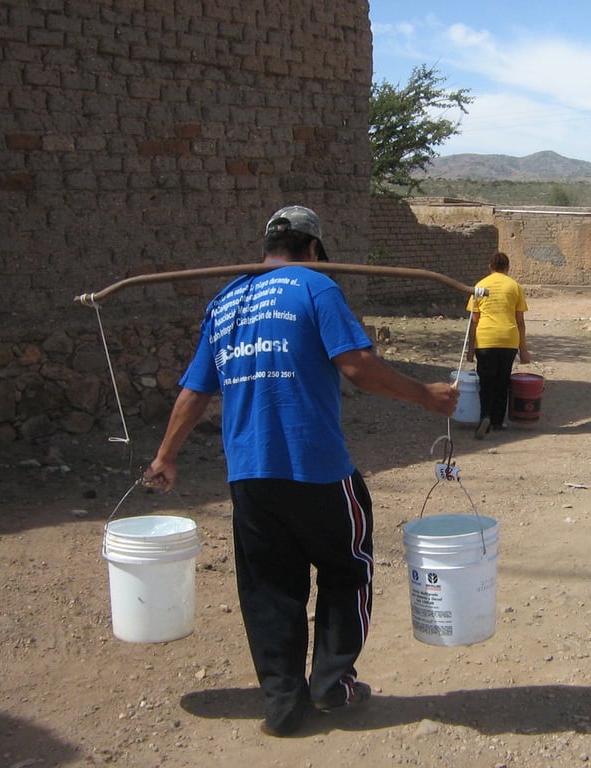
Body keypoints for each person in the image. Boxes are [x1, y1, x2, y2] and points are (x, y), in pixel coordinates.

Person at [143, 205, 459, 737]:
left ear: (267, 246)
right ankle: (332, 686)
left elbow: (196, 390)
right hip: (316, 468)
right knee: (347, 568)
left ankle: (284, 706)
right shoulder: (315, 287)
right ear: (313, 250)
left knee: (269, 589)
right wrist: (425, 394)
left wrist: (166, 455)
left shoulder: (224, 302)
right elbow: (357, 367)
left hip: (249, 476)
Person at [465, 251, 531, 438]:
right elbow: (521, 322)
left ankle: (484, 416)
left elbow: (474, 321)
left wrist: (470, 352)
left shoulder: (480, 286)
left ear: (490, 267)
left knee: (486, 382)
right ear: (507, 268)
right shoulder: (515, 286)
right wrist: (523, 350)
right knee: (503, 381)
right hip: (508, 340)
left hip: (485, 340)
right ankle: (497, 422)